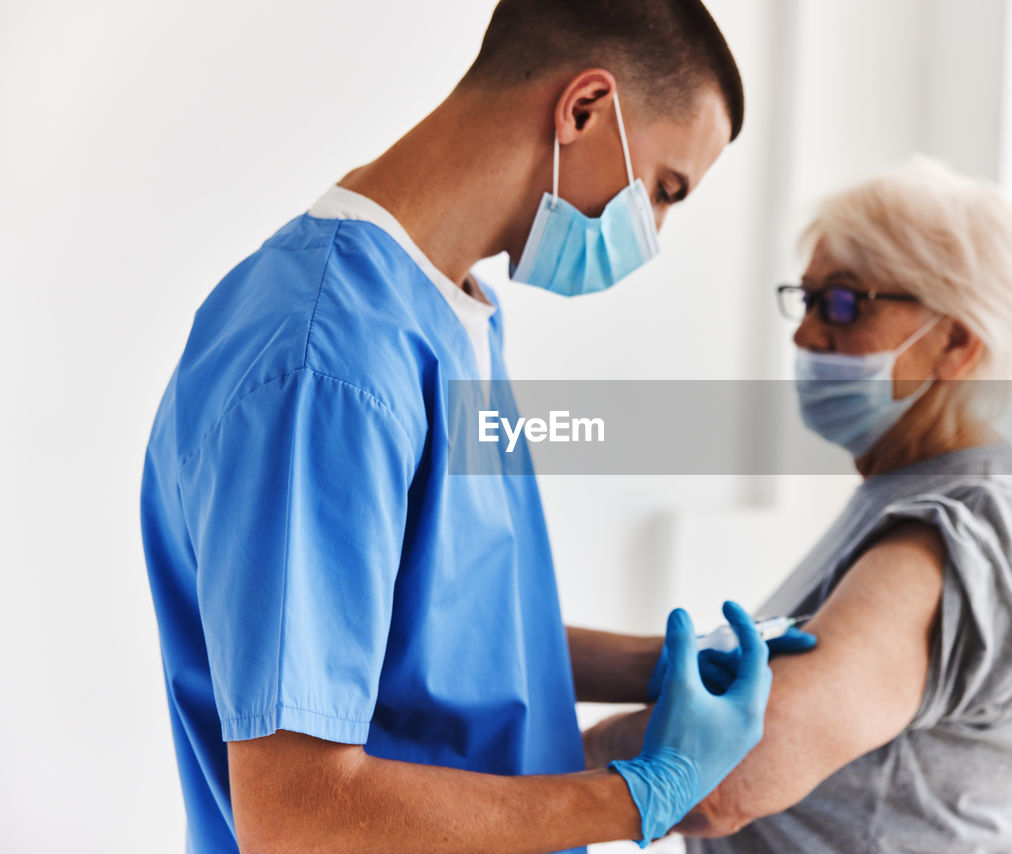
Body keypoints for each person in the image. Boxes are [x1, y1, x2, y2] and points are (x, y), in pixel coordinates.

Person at [140, 3, 815, 852]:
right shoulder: (324, 364)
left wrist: (658, 663)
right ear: (584, 109)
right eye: (666, 191)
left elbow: (437, 631)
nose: (656, 234)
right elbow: (300, 812)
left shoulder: (453, 315)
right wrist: (645, 793)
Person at [584, 158, 1012, 852]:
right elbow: (732, 670)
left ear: (958, 343)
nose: (805, 335)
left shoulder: (947, 534)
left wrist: (518, 755)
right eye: (808, 298)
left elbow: (731, 772)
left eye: (846, 304)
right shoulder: (914, 488)